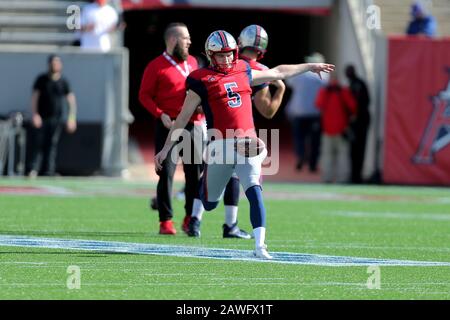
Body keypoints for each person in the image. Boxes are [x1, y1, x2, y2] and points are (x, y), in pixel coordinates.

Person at [155, 30, 334, 259]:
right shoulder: (200, 79)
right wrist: (166, 148)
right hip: (220, 146)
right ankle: (202, 207)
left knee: (254, 189)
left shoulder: (244, 69)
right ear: (211, 55)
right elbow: (181, 118)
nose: (227, 59)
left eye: (230, 54)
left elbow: (278, 71)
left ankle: (260, 246)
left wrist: (309, 67)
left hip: (247, 143)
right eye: (221, 55)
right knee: (210, 203)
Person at [187, 25, 286, 240]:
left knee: (211, 173)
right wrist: (281, 90)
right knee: (238, 177)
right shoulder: (251, 69)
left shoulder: (219, 67)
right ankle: (230, 224)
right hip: (242, 134)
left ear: (239, 44)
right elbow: (267, 110)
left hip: (214, 128)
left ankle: (195, 218)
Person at [139, 22, 205, 235]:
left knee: (194, 174)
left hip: (193, 124)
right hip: (169, 125)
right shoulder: (156, 65)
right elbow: (144, 95)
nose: (190, 42)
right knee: (166, 172)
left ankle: (190, 217)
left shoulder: (194, 62)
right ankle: (165, 220)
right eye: (186, 38)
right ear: (173, 40)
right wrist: (160, 114)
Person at [29, 55, 77, 178]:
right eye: (53, 63)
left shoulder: (63, 82)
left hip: (56, 119)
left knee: (52, 144)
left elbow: (71, 101)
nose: (55, 65)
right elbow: (35, 97)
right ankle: (33, 169)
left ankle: (49, 171)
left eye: (57, 63)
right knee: (38, 143)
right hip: (42, 118)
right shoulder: (42, 79)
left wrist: (71, 119)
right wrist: (35, 114)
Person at [285, 52, 328, 172]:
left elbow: (289, 83)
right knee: (315, 140)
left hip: (299, 112)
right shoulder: (324, 78)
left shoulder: (300, 75)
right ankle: (313, 164)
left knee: (299, 138)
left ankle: (301, 156)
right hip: (315, 113)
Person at [315, 74, 357, 184]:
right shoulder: (343, 91)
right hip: (342, 129)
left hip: (329, 129)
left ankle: (327, 178)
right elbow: (353, 107)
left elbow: (318, 105)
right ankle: (342, 179)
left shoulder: (326, 91)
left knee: (327, 155)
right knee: (342, 155)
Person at [345, 65, 370, 184]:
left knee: (358, 150)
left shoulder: (357, 85)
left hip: (360, 122)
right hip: (357, 122)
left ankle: (356, 176)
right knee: (354, 150)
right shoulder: (353, 84)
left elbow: (363, 102)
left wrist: (354, 115)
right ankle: (354, 175)